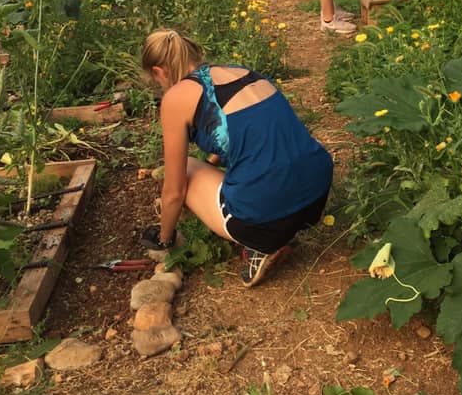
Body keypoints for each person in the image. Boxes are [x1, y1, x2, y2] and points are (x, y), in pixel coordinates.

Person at [140, 29, 334, 288]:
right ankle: (282, 227)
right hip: (316, 195)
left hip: (264, 213)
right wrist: (212, 164)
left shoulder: (176, 97)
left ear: (160, 71)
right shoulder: (240, 73)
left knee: (184, 169)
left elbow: (174, 191)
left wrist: (164, 240)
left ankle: (261, 245)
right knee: (240, 168)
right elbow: (243, 131)